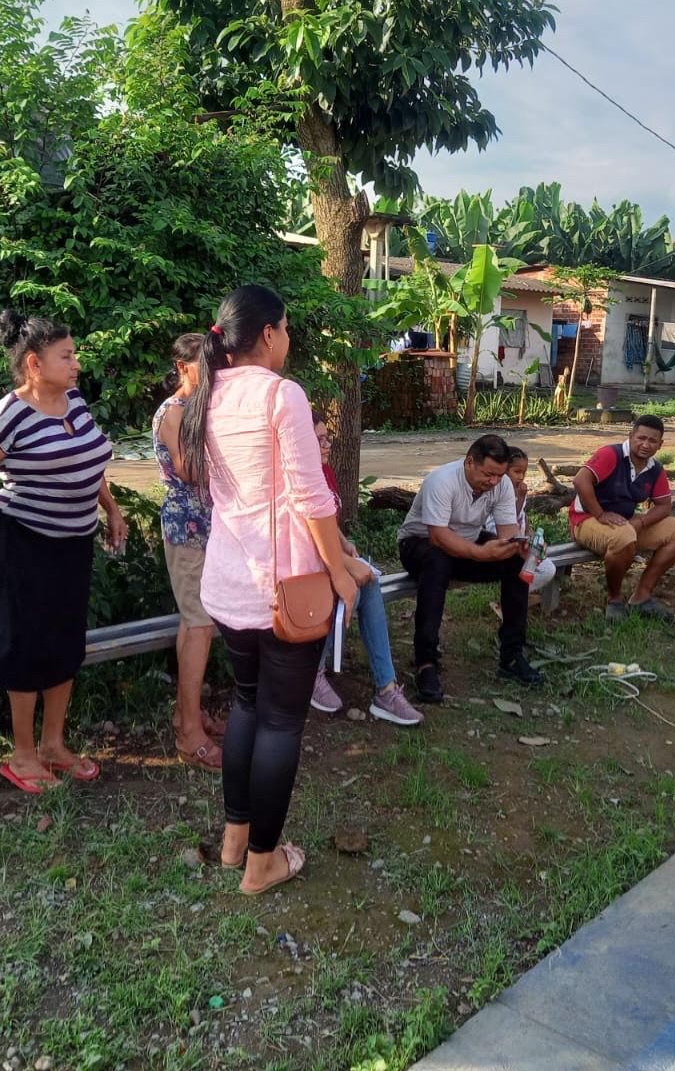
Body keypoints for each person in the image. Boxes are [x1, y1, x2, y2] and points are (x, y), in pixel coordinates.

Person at [178, 285, 360, 895]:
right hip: (284, 591)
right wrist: (340, 572)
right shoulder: (281, 395)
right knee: (281, 722)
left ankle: (236, 841)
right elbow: (312, 496)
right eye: (285, 328)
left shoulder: (208, 394)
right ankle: (262, 863)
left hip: (229, 584)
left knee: (248, 707)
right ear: (267, 334)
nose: (288, 339)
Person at [0, 311, 126, 794]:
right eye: (67, 356)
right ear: (34, 364)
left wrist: (111, 508)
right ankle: (22, 755)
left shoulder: (73, 400)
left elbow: (87, 462)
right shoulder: (12, 413)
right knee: (25, 646)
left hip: (73, 544)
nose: (77, 364)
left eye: (74, 354)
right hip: (25, 545)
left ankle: (53, 745)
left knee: (65, 641)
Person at [398, 435, 538, 704]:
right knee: (437, 562)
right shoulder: (442, 481)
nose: (494, 482)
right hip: (419, 544)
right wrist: (480, 553)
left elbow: (507, 531)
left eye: (499, 475)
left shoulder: (501, 485)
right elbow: (438, 536)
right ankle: (426, 662)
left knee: (516, 561)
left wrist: (518, 546)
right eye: (488, 474)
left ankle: (512, 654)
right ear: (470, 462)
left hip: (468, 542)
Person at [309, 410, 423, 726]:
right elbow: (306, 531)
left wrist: (344, 542)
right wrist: (346, 564)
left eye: (327, 438)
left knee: (368, 581)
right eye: (319, 440)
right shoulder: (297, 477)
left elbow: (325, 522)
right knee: (354, 588)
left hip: (328, 557)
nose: (326, 445)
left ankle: (386, 689)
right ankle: (312, 672)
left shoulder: (324, 471)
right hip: (304, 565)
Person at [152, 333, 224, 770]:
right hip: (187, 527)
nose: (213, 373)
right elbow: (189, 468)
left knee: (196, 623)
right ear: (182, 367)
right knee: (199, 624)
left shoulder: (199, 409)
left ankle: (188, 715)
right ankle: (188, 736)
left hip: (207, 527)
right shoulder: (175, 411)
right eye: (204, 365)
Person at [569, 416, 675, 621]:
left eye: (652, 441)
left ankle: (641, 597)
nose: (646, 444)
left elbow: (664, 505)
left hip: (623, 522)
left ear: (660, 445)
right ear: (630, 436)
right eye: (641, 438)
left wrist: (641, 521)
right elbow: (581, 480)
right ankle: (614, 599)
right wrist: (600, 513)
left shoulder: (655, 468)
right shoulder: (611, 454)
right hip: (586, 519)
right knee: (624, 536)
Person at [501, 448, 555, 597]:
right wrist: (519, 498)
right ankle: (513, 596)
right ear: (504, 471)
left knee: (548, 569)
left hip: (522, 544)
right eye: (516, 472)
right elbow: (508, 519)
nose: (521, 477)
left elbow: (522, 517)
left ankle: (516, 594)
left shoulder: (520, 490)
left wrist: (533, 537)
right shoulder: (498, 492)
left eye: (524, 473)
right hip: (505, 545)